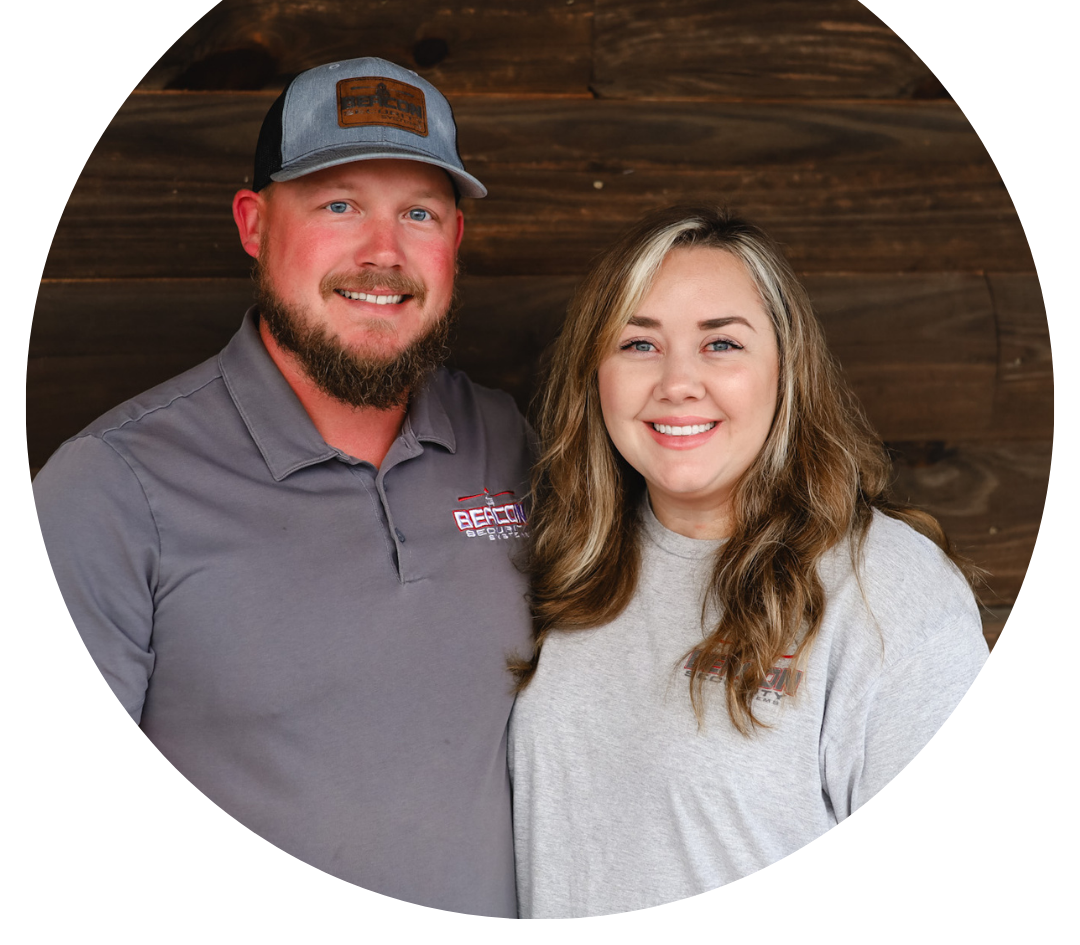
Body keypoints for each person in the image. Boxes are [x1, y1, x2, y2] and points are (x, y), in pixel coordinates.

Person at [33, 57, 533, 917]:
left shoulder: (511, 441)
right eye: (339, 205)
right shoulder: (110, 487)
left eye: (419, 212)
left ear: (454, 243)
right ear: (255, 224)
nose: (383, 254)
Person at [508, 206, 989, 918]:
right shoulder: (567, 561)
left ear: (786, 368)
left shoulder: (889, 591)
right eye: (639, 345)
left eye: (721, 345)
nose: (678, 383)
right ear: (595, 374)